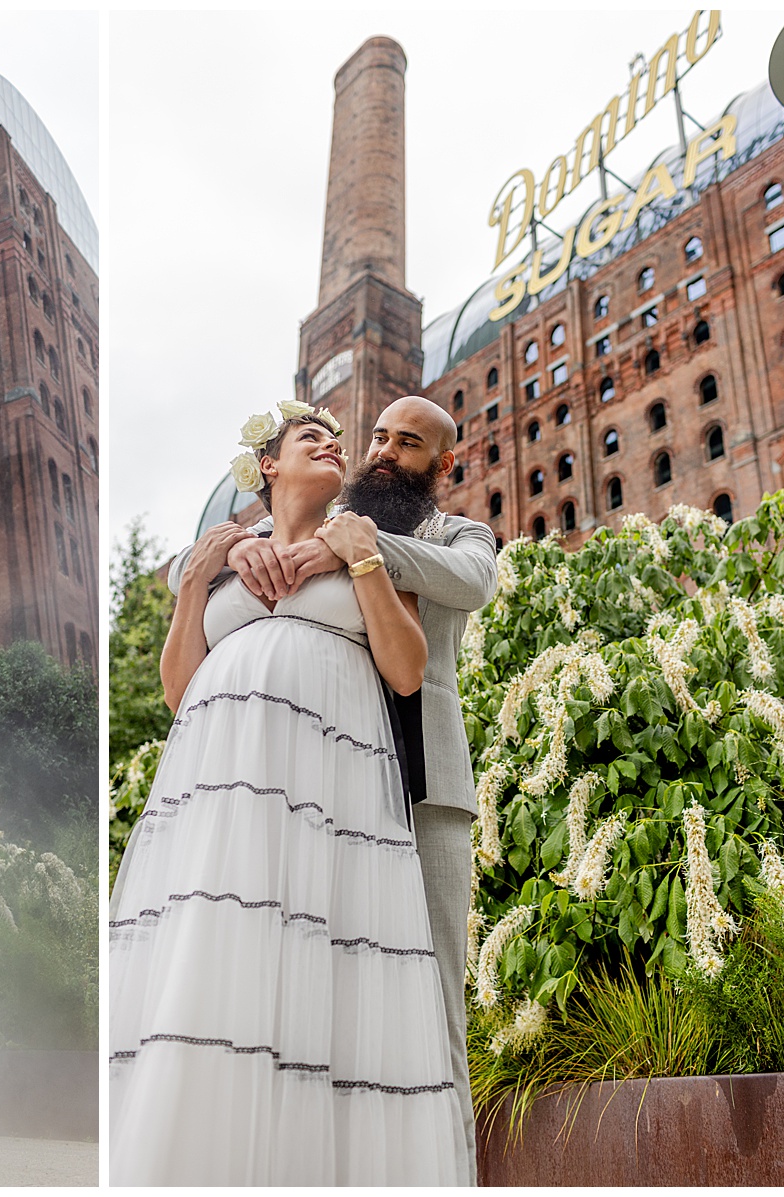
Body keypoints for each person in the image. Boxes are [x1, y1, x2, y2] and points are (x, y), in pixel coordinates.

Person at [110, 404, 468, 1185]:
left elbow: (405, 669)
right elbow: (179, 688)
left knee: (330, 978)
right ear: (267, 465)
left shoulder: (362, 537)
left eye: (344, 441)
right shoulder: (224, 557)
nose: (340, 446)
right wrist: (202, 574)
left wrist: (361, 559)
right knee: (221, 970)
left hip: (331, 791)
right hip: (226, 795)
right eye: (315, 439)